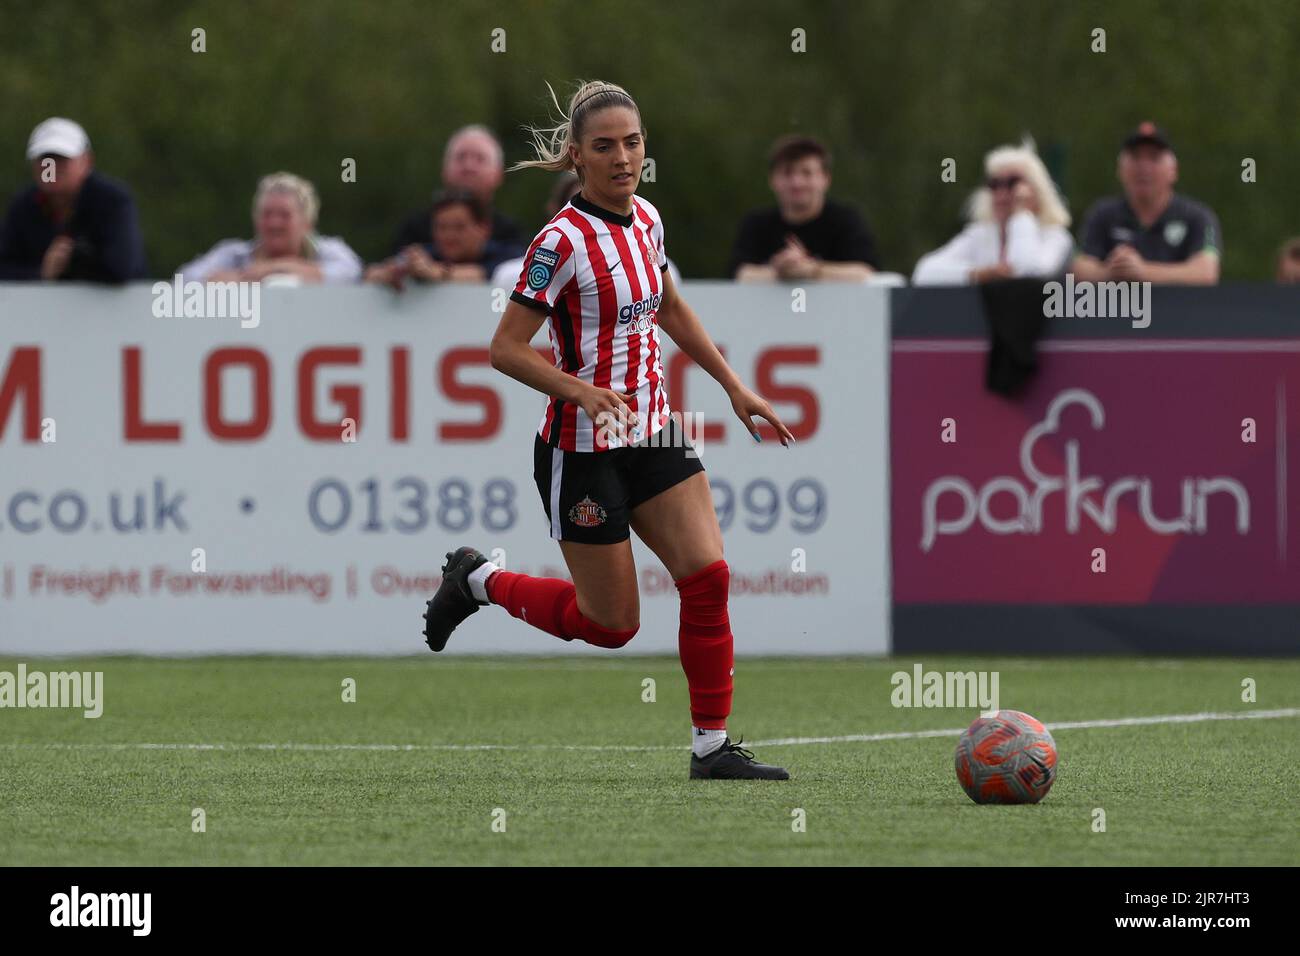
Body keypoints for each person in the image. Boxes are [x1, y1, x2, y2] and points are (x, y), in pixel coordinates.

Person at [421, 80, 794, 781]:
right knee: (612, 626)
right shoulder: (557, 241)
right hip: (581, 449)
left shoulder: (647, 219)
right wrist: (581, 392)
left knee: (708, 577)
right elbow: (504, 349)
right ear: (576, 156)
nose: (622, 157)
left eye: (632, 142)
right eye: (604, 146)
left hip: (652, 432)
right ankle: (479, 581)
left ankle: (712, 749)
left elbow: (672, 306)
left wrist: (733, 385)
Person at [0, 117, 147, 282]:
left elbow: (122, 267)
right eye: (44, 159)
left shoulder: (113, 201)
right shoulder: (22, 207)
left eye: (61, 159)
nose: (51, 168)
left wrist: (71, 261)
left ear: (86, 162)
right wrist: (41, 273)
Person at [1072, 122, 1220, 284]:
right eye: (1135, 157)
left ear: (1173, 171)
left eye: (1154, 158)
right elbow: (1080, 267)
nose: (1143, 167)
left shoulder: (1197, 216)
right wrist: (1111, 271)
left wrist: (1143, 271)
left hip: (1178, 308)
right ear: (1120, 169)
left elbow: (1206, 272)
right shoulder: (1102, 213)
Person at [912, 139, 1073, 284]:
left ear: (1035, 189)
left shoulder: (1056, 237)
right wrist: (978, 275)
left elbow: (1028, 274)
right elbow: (924, 272)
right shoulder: (980, 235)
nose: (1001, 194)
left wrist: (1022, 214)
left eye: (1012, 183)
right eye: (994, 184)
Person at [490, 170, 683, 290]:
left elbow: (671, 311)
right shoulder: (514, 272)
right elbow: (507, 344)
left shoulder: (648, 218)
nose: (588, 216)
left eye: (632, 142)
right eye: (577, 205)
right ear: (556, 211)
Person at [728, 135, 877, 281]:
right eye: (788, 173)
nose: (797, 183)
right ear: (772, 179)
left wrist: (812, 270)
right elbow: (739, 274)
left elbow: (864, 272)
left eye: (807, 173)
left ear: (825, 178)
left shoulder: (846, 220)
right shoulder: (756, 223)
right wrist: (780, 271)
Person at [177, 172, 361, 283]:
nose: (274, 223)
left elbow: (352, 273)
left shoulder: (327, 252)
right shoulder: (233, 254)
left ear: (307, 223)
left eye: (284, 215)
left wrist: (271, 270)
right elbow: (184, 279)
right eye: (267, 214)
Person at [391, 125, 525, 254]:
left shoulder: (511, 234)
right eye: (461, 157)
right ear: (443, 170)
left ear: (498, 174)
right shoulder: (414, 230)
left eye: (480, 159)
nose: (468, 166)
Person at [366, 190, 523, 289]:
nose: (449, 235)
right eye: (441, 227)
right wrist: (392, 272)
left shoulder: (509, 255)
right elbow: (369, 274)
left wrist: (435, 272)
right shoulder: (428, 253)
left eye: (459, 227)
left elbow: (489, 275)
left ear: (484, 228)